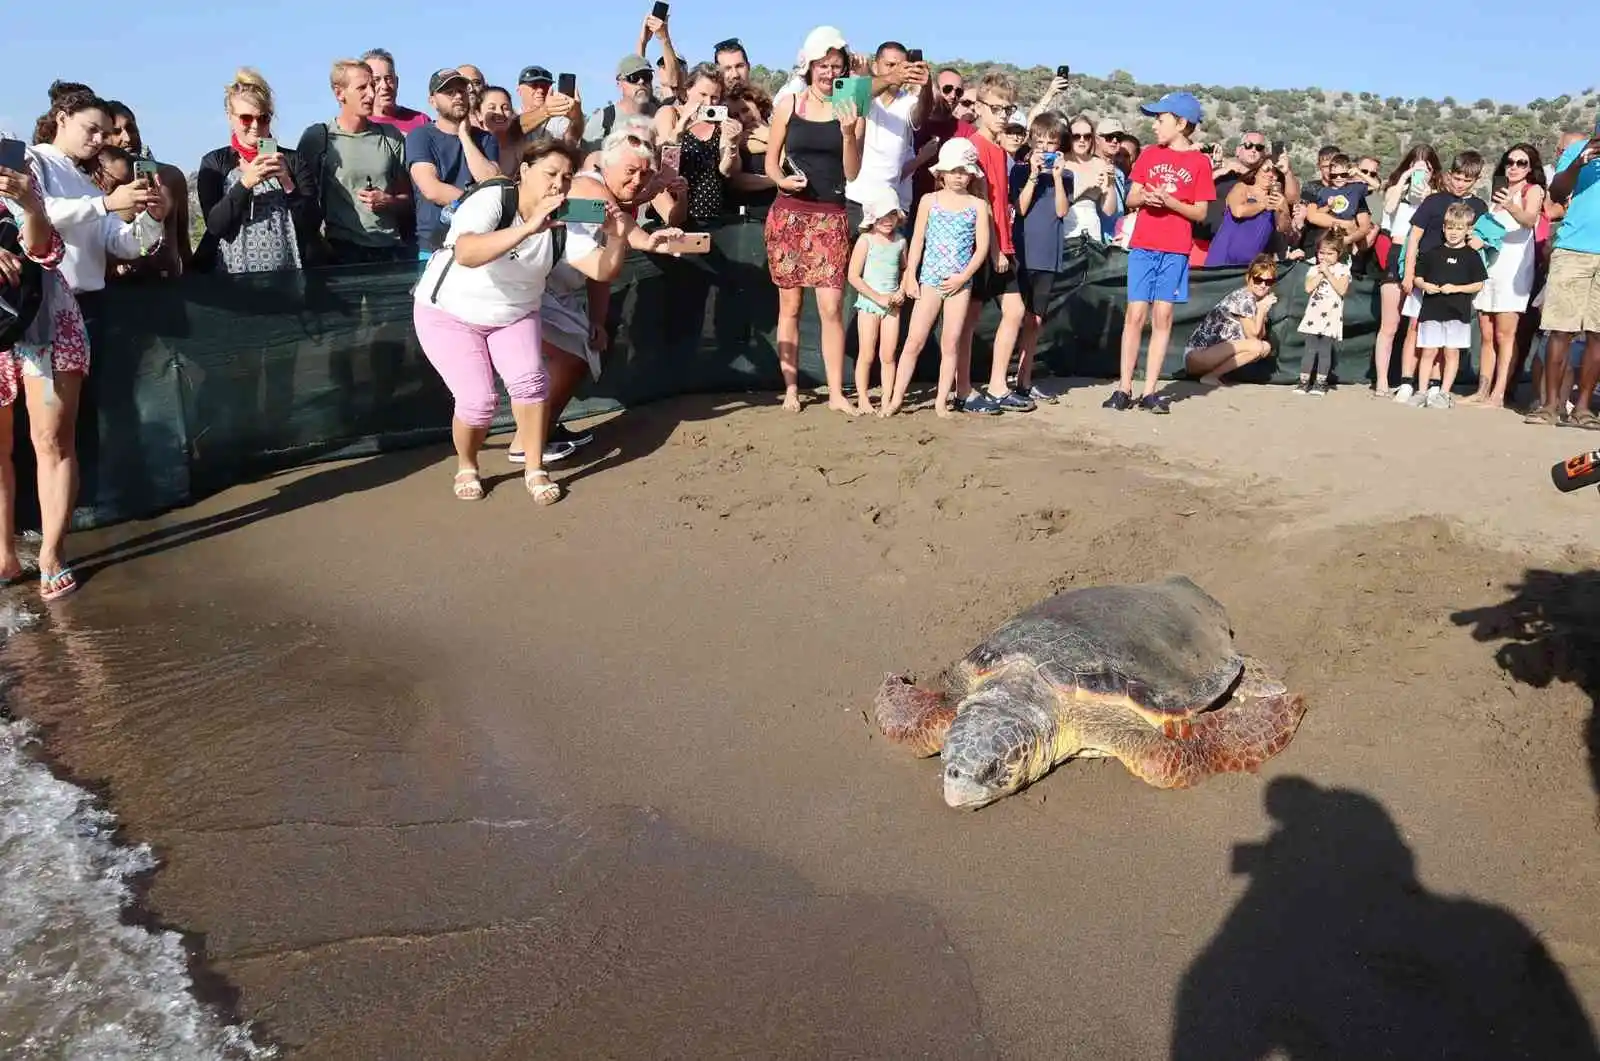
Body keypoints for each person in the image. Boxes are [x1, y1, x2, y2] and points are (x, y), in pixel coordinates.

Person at [412, 138, 590, 505]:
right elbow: (466, 252)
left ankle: (534, 467)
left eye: (567, 176)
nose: (559, 183)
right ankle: (467, 465)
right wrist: (528, 228)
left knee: (531, 382)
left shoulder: (565, 216)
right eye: (551, 173)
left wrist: (622, 237)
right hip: (450, 312)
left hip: (514, 311)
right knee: (478, 402)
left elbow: (601, 266)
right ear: (524, 171)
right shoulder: (493, 198)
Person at [505, 118, 683, 466]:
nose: (639, 179)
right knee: (562, 362)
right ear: (604, 163)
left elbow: (602, 270)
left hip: (555, 293)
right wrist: (647, 239)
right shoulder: (588, 188)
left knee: (579, 356)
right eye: (631, 170)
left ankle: (543, 430)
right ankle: (525, 442)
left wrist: (598, 321)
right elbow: (611, 215)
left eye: (646, 173)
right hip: (520, 292)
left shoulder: (606, 200)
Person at [0, 155, 92, 600]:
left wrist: (32, 206)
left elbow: (44, 250)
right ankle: (5, 556)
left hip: (44, 318)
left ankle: (52, 554)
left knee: (51, 440)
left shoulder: (15, 167)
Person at [763, 26, 865, 413]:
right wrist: (781, 180)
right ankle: (791, 388)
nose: (829, 73)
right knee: (789, 307)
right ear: (809, 65)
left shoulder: (853, 106)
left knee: (831, 308)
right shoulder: (789, 103)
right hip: (789, 214)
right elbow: (771, 161)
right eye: (823, 65)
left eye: (836, 65)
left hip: (831, 216)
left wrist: (847, 131)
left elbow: (852, 172)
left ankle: (837, 393)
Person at [1105, 91, 1215, 413]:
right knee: (1135, 315)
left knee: (1163, 316)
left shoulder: (1199, 162)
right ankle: (1124, 387)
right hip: (1144, 244)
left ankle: (1150, 391)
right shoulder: (1150, 154)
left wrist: (1170, 203)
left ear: (1181, 123)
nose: (1155, 125)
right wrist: (1146, 200)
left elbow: (1200, 213)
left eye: (1160, 119)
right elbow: (1131, 198)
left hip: (1175, 248)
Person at [29, 87, 166, 335]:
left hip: (90, 307)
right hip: (41, 304)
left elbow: (123, 244)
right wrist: (108, 203)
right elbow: (39, 213)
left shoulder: (89, 184)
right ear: (62, 119)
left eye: (103, 135)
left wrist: (153, 217)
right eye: (91, 129)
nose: (96, 141)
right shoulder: (35, 159)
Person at [884, 138, 990, 418]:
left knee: (951, 342)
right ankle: (896, 399)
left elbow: (981, 249)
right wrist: (910, 276)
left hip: (960, 284)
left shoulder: (977, 205)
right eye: (954, 170)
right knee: (914, 340)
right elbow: (917, 241)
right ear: (942, 172)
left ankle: (942, 401)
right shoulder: (928, 201)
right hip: (930, 279)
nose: (958, 176)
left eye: (964, 171)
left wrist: (963, 277)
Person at [195, 69, 316, 274]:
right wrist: (244, 184)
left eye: (263, 118)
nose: (255, 125)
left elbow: (311, 223)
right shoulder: (215, 162)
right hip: (233, 280)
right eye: (246, 118)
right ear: (229, 117)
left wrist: (287, 183)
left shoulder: (293, 160)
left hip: (291, 278)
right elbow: (215, 225)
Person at [294, 59, 413, 265]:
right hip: (340, 253)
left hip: (389, 252)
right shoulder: (318, 138)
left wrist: (388, 201)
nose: (371, 94)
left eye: (372, 86)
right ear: (339, 93)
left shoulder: (391, 136)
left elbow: (409, 200)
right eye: (362, 88)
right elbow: (302, 201)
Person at [1393, 150, 1487, 404]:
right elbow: (1414, 237)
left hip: (1453, 283)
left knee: (1446, 335)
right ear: (1448, 175)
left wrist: (1479, 241)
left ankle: (1436, 386)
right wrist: (1409, 272)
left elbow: (1483, 239)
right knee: (1416, 328)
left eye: (1466, 180)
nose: (1460, 184)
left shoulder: (1479, 207)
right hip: (1424, 275)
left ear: (1476, 180)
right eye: (1456, 177)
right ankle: (1406, 382)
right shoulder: (1433, 202)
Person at [964, 70, 1030, 415]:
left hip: (1003, 242)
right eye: (997, 108)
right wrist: (992, 249)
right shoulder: (975, 147)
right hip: (982, 246)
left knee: (1015, 311)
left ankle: (997, 385)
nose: (1003, 115)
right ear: (978, 106)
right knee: (968, 318)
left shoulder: (998, 149)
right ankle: (963, 389)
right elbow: (981, 203)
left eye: (1008, 109)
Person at [1463, 144, 1545, 408]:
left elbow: (1530, 220)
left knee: (1505, 335)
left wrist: (1510, 205)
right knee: (1486, 332)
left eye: (1522, 163)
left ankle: (1499, 393)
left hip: (1514, 267)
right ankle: (1482, 390)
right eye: (1510, 162)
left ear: (1531, 167)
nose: (1514, 167)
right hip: (1490, 266)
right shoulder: (1497, 192)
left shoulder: (1533, 190)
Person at [1532, 130, 1600, 427]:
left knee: (1598, 334)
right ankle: (1550, 405)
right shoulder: (1579, 151)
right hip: (1573, 249)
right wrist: (1579, 164)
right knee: (1561, 330)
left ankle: (1583, 408)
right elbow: (1558, 192)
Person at [405, 68, 502, 256]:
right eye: (449, 92)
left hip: (479, 243)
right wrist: (479, 205)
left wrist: (464, 136)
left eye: (461, 90)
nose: (457, 96)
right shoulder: (421, 136)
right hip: (433, 248)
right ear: (432, 101)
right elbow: (431, 189)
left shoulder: (485, 139)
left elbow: (491, 181)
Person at [1009, 112, 1071, 404]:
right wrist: (1033, 175)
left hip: (1048, 256)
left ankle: (1025, 379)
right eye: (1040, 141)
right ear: (1031, 142)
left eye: (1052, 142)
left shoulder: (1066, 175)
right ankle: (1004, 377)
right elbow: (1020, 209)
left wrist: (1057, 177)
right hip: (1022, 252)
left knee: (1035, 320)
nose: (1046, 148)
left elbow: (1061, 211)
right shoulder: (1020, 171)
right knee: (1013, 317)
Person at [1372, 145, 1442, 396]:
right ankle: (1381, 381)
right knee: (1389, 324)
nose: (1421, 168)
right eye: (1416, 162)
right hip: (1396, 250)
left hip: (1423, 256)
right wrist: (1403, 179)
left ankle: (1415, 380)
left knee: (1419, 324)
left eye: (1426, 164)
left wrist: (1427, 196)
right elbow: (1387, 210)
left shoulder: (1435, 194)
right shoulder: (1395, 188)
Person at [1407, 202, 1487, 410]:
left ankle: (1444, 393)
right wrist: (1426, 285)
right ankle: (1422, 392)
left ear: (1468, 230)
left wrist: (1457, 288)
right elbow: (1417, 278)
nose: (1453, 232)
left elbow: (1478, 284)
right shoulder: (1432, 253)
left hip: (1458, 313)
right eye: (1450, 227)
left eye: (1459, 228)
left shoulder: (1472, 256)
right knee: (1428, 352)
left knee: (1452, 353)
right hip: (1432, 311)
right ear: (1443, 228)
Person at [101, 100, 190, 277]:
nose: (127, 138)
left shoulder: (170, 176)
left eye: (131, 128)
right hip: (117, 289)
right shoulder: (95, 186)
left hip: (165, 286)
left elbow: (182, 243)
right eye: (116, 132)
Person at [653, 63, 742, 225]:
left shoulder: (720, 125)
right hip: (674, 214)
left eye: (714, 97)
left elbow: (726, 172)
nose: (708, 102)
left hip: (713, 216)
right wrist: (679, 130)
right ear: (688, 89)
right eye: (703, 94)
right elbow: (664, 165)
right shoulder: (670, 114)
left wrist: (732, 144)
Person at [846, 186, 907, 415]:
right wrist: (877, 297)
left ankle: (886, 400)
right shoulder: (865, 241)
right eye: (881, 216)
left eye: (891, 214)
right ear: (872, 217)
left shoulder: (900, 241)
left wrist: (901, 290)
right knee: (867, 353)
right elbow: (853, 276)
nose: (887, 220)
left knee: (888, 355)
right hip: (869, 305)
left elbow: (905, 270)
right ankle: (862, 398)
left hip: (892, 306)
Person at [1181, 253, 1277, 387]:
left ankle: (1213, 375)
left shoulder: (1256, 301)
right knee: (1257, 346)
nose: (1263, 285)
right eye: (1258, 280)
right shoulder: (1245, 298)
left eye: (1268, 282)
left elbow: (1260, 335)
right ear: (1248, 278)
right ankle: (1211, 376)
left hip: (1212, 355)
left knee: (1265, 347)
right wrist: (1261, 310)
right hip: (1197, 356)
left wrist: (1262, 311)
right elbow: (1253, 336)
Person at [1295, 232, 1351, 395]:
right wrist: (1320, 272)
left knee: (1325, 350)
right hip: (1314, 315)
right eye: (1321, 253)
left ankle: (1321, 382)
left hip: (1331, 316)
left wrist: (1328, 273)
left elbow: (1342, 289)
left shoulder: (1343, 270)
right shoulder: (1313, 269)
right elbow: (1308, 288)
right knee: (1310, 349)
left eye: (1330, 253)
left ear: (1338, 254)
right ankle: (1304, 381)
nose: (1325, 257)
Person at [1206, 162, 1290, 267]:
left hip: (1249, 265)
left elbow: (1283, 228)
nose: (1270, 174)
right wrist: (1263, 204)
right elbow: (1238, 211)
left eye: (1275, 172)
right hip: (1222, 256)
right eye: (1266, 169)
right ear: (1256, 172)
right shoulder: (1242, 187)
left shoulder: (1276, 200)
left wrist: (1284, 209)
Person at [363, 49, 431, 135]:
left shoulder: (421, 122)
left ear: (397, 82)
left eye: (388, 79)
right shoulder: (360, 125)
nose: (384, 86)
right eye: (376, 80)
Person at [475, 86, 524, 177]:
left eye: (505, 108)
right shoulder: (472, 147)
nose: (500, 113)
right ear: (479, 115)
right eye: (492, 108)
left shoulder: (523, 147)